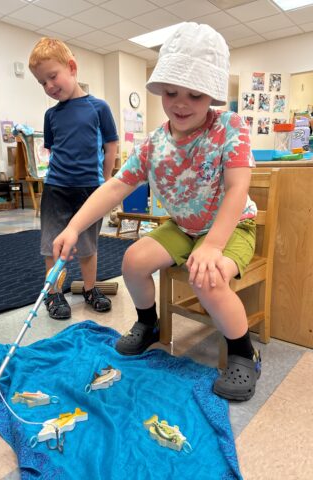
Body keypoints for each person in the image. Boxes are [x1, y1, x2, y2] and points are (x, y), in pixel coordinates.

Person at [52, 23, 261, 402]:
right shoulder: (154, 143)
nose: (181, 103)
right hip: (183, 227)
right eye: (171, 92)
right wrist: (74, 227)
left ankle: (244, 351)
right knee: (133, 259)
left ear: (212, 95)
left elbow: (237, 189)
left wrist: (213, 245)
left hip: (232, 227)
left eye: (195, 95)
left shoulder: (231, 127)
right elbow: (116, 186)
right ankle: (149, 324)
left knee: (207, 278)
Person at [28, 37, 118, 320]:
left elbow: (111, 146)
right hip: (56, 189)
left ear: (72, 67)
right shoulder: (50, 115)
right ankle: (53, 294)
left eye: (52, 76)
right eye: (43, 83)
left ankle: (90, 289)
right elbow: (54, 150)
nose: (49, 86)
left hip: (89, 190)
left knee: (88, 246)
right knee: (51, 244)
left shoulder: (99, 108)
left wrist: (104, 182)